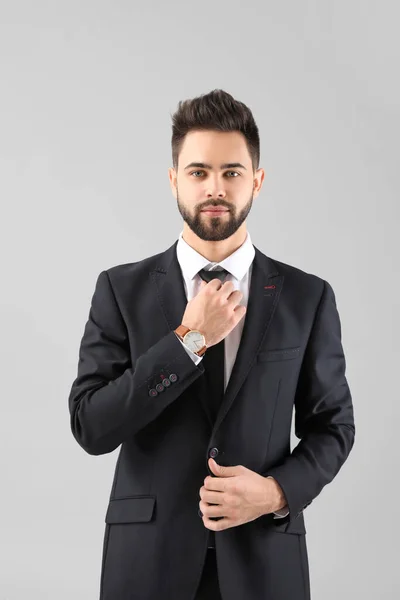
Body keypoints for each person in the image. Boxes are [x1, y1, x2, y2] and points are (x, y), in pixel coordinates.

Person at [68, 88, 355, 600]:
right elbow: (91, 425)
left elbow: (333, 428)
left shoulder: (306, 298)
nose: (215, 187)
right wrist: (188, 341)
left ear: (257, 182)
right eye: (199, 172)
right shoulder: (119, 290)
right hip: (148, 564)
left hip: (264, 562)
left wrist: (274, 493)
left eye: (232, 172)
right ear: (174, 179)